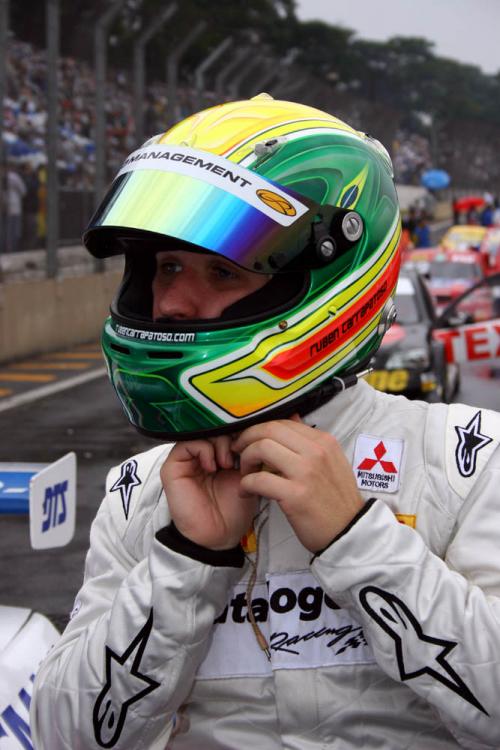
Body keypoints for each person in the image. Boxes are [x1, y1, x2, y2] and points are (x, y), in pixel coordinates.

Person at [31, 96, 500, 749]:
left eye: (221, 270)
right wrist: (190, 558)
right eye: (166, 267)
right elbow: (66, 738)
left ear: (327, 278)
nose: (171, 304)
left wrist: (357, 540)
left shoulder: (465, 460)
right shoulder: (141, 493)